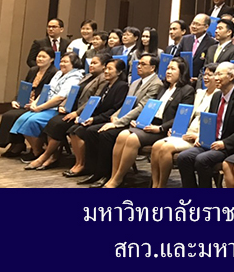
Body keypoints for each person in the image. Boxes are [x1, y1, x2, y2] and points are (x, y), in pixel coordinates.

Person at [104, 57, 196, 188]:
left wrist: (160, 128)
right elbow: (151, 108)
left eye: (173, 69)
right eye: (168, 68)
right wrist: (140, 121)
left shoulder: (187, 90)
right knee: (122, 135)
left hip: (163, 128)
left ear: (182, 72)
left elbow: (181, 117)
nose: (168, 71)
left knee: (132, 139)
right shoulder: (163, 88)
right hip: (150, 124)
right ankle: (114, 176)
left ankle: (118, 178)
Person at [78, 54, 163, 187]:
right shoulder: (135, 82)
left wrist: (118, 122)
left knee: (106, 134)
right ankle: (95, 172)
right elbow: (126, 104)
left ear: (152, 68)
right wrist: (115, 116)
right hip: (125, 118)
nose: (139, 66)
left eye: (143, 64)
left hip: (137, 122)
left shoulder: (156, 84)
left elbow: (141, 107)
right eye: (138, 63)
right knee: (91, 131)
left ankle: (107, 174)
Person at [28, 53, 111, 170]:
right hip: (73, 109)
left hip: (86, 112)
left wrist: (77, 113)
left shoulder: (103, 79)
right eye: (91, 63)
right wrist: (64, 105)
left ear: (103, 66)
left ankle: (45, 156)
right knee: (53, 122)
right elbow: (73, 93)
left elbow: (94, 101)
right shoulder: (87, 76)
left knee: (58, 124)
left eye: (95, 63)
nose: (91, 65)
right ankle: (52, 156)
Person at [176, 62, 234, 188]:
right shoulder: (216, 96)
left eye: (219, 74)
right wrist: (202, 137)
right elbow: (210, 122)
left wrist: (225, 143)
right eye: (215, 74)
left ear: (231, 77)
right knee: (183, 157)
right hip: (210, 142)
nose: (216, 78)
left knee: (202, 160)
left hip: (227, 146)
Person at [10, 52, 84, 160]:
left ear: (74, 63)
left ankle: (37, 151)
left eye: (66, 62)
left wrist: (40, 107)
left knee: (32, 121)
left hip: (56, 108)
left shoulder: (75, 77)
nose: (62, 64)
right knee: (21, 119)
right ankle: (36, 150)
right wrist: (35, 103)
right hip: (44, 105)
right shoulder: (59, 73)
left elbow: (60, 98)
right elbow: (46, 90)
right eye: (61, 61)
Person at [65, 58, 129, 178]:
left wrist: (95, 120)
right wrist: (83, 117)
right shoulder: (107, 85)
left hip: (108, 119)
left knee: (87, 131)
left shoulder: (122, 86)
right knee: (73, 130)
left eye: (110, 69)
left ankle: (90, 167)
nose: (106, 71)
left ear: (119, 72)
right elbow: (97, 105)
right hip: (98, 117)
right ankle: (79, 163)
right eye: (105, 69)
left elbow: (114, 109)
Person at [0, 47, 57, 157]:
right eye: (39, 56)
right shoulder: (33, 70)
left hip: (39, 104)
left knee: (16, 115)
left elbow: (49, 92)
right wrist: (16, 100)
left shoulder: (54, 73)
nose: (40, 59)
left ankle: (19, 145)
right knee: (8, 115)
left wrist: (35, 103)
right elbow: (25, 87)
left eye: (43, 57)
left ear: (51, 59)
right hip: (26, 101)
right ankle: (15, 143)